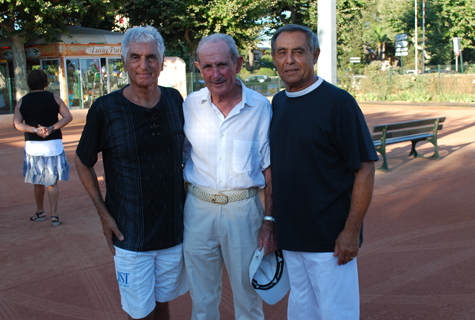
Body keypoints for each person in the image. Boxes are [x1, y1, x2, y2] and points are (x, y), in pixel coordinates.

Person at [75, 26, 187, 320]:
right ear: (124, 61)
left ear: (162, 62)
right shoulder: (105, 109)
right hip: (130, 233)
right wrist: (103, 213)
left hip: (174, 231)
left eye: (151, 57)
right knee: (139, 313)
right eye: (135, 57)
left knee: (163, 305)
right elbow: (82, 161)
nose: (144, 65)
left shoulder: (176, 101)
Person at [269, 24, 378, 320]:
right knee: (302, 311)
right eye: (282, 52)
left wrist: (351, 232)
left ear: (315, 55)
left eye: (298, 52)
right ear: (274, 58)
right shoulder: (278, 103)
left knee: (335, 314)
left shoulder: (339, 103)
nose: (289, 60)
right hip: (291, 238)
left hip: (330, 241)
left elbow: (365, 169)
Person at [182, 33, 276, 320]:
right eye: (208, 67)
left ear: (237, 63)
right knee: (202, 298)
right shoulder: (189, 106)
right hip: (198, 209)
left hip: (245, 211)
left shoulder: (261, 107)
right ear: (198, 68)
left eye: (223, 64)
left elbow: (270, 171)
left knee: (248, 297)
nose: (216, 74)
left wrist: (269, 221)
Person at [13, 69, 73, 227]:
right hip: (53, 145)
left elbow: (17, 124)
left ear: (29, 84)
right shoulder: (54, 97)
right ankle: (54, 215)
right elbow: (68, 116)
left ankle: (40, 212)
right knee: (52, 182)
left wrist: (35, 130)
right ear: (46, 83)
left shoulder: (23, 101)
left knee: (38, 181)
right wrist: (52, 128)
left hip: (33, 147)